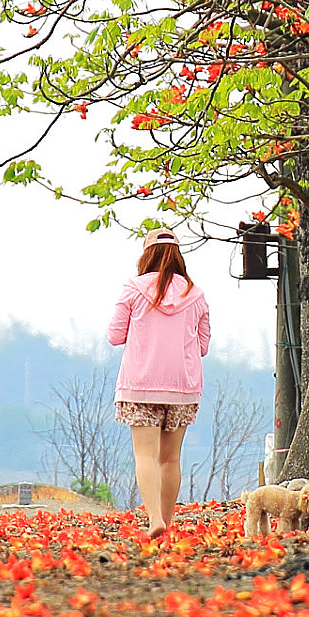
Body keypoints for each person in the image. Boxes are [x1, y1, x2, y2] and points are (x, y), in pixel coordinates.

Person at [107, 228, 210, 538]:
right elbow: (203, 346)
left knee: (145, 456)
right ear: (178, 256)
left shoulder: (132, 289)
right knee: (171, 458)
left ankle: (154, 519)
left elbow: (114, 336)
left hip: (140, 385)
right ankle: (167, 518)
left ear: (146, 255)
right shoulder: (196, 295)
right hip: (182, 387)